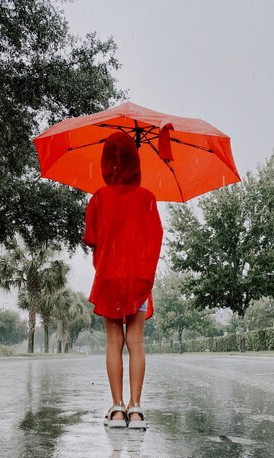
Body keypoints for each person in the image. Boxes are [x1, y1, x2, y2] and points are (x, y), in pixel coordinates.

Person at [83, 132, 163, 429]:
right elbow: (155, 239)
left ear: (106, 163)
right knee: (136, 341)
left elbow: (91, 238)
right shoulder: (148, 199)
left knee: (114, 341)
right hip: (138, 277)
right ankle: (137, 409)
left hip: (110, 277)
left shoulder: (99, 199)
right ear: (135, 161)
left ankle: (117, 410)